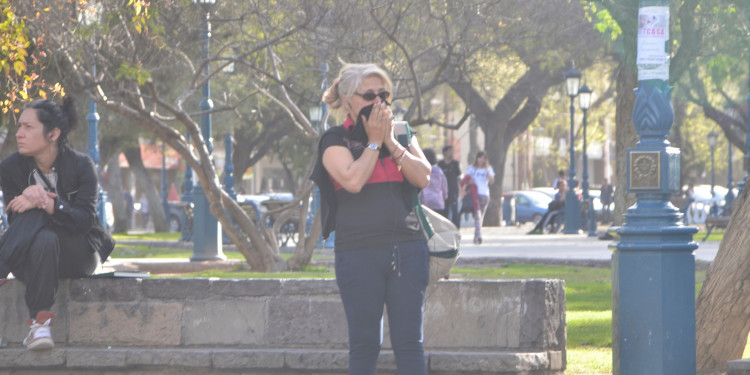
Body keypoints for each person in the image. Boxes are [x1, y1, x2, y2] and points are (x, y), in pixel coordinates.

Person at [310, 63, 432, 375]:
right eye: (369, 95)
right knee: (365, 346)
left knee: (410, 343)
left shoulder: (402, 132)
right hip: (358, 254)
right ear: (348, 99)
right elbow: (352, 181)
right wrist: (374, 142)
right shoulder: (334, 140)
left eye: (384, 95)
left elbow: (423, 177)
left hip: (407, 249)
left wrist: (390, 141)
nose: (379, 102)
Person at [0, 97, 115, 350]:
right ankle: (40, 327)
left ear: (52, 134)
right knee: (43, 236)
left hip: (79, 253)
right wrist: (34, 198)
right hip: (32, 254)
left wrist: (47, 203)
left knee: (41, 217)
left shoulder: (82, 165)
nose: (19, 134)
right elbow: (18, 221)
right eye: (19, 126)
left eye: (28, 128)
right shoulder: (10, 169)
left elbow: (85, 221)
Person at [462, 151, 495, 244]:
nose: (481, 160)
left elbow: (492, 181)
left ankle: (477, 236)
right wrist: (469, 182)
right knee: (477, 216)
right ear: (476, 158)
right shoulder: (472, 168)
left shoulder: (488, 168)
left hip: (484, 194)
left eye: (484, 158)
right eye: (480, 157)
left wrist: (488, 171)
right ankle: (478, 236)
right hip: (474, 194)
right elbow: (465, 179)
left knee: (480, 216)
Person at [438, 145, 462, 227]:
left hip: (453, 190)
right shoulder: (440, 164)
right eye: (450, 151)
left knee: (455, 210)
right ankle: (445, 226)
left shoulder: (455, 164)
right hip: (443, 191)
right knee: (445, 210)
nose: (452, 153)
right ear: (445, 152)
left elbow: (459, 176)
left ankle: (456, 227)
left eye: (453, 151)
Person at [421, 148, 448, 214]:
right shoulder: (439, 171)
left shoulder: (422, 171)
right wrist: (444, 197)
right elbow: (444, 187)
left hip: (425, 201)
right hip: (438, 201)